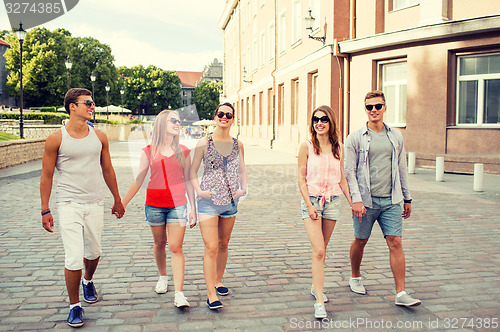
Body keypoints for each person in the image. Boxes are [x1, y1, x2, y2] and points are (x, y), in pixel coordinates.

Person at [39, 88, 125, 328]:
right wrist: (45, 209)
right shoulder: (56, 139)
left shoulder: (99, 136)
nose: (92, 106)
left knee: (94, 252)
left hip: (95, 202)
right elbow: (46, 176)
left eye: (92, 102)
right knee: (74, 256)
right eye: (87, 102)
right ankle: (74, 306)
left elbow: (108, 169)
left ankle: (88, 280)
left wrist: (117, 198)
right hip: (68, 203)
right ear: (72, 107)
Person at [344, 90, 420, 307]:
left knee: (395, 242)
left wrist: (407, 198)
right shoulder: (355, 138)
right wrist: (355, 201)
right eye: (369, 107)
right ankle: (355, 276)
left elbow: (401, 167)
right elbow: (349, 172)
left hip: (391, 200)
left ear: (385, 108)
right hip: (365, 202)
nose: (374, 110)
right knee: (361, 240)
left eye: (378, 106)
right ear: (365, 109)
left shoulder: (395, 136)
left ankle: (401, 293)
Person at [121, 110, 196, 308]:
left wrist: (193, 209)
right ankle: (163, 276)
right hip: (154, 204)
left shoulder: (184, 151)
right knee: (159, 243)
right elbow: (139, 180)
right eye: (173, 120)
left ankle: (179, 293)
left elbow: (189, 181)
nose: (177, 123)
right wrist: (123, 202)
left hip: (178, 205)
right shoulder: (148, 151)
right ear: (162, 123)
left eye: (178, 121)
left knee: (175, 247)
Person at [189, 102, 247, 310]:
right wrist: (199, 192)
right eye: (221, 114)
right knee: (211, 246)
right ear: (215, 117)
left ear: (233, 119)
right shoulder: (204, 143)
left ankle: (219, 280)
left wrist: (243, 189)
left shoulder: (238, 144)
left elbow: (242, 170)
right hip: (208, 202)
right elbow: (192, 171)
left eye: (228, 115)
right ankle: (211, 294)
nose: (224, 117)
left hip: (230, 202)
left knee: (224, 244)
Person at [297, 105, 353, 319]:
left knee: (322, 249)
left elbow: (342, 179)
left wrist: (353, 202)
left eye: (323, 119)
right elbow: (300, 179)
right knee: (319, 250)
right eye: (315, 119)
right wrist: (309, 205)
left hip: (332, 202)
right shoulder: (307, 147)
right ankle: (320, 301)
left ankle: (315, 286)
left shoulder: (339, 146)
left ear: (331, 122)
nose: (319, 123)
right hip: (311, 200)